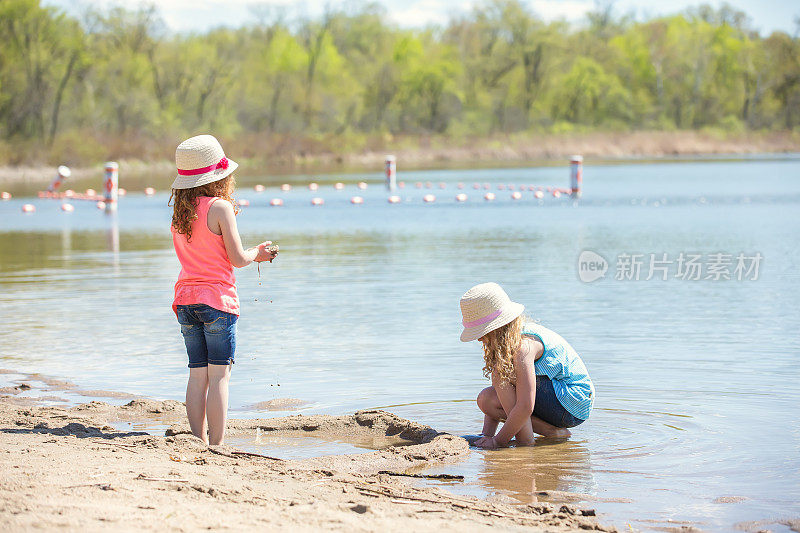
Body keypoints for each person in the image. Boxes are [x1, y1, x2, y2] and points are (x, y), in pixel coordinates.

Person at [169, 134, 277, 445]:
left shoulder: (179, 214)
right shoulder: (220, 208)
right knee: (219, 377)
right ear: (220, 176)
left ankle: (195, 439)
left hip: (185, 301)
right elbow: (237, 258)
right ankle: (216, 444)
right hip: (216, 301)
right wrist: (260, 253)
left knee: (196, 375)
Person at [459, 282, 594, 449]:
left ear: (497, 327)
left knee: (500, 376)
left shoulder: (524, 346)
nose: (479, 339)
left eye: (482, 332)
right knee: (488, 400)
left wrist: (497, 442)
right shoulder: (510, 341)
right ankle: (553, 433)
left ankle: (526, 442)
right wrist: (487, 435)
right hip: (562, 400)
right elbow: (501, 394)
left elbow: (525, 406)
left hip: (572, 402)